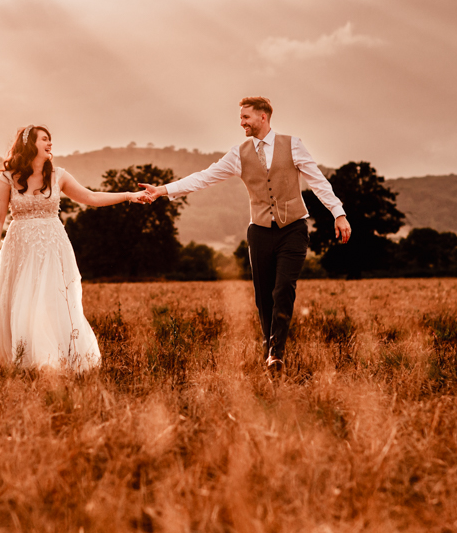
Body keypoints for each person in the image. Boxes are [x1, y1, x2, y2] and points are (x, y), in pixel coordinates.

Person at [140, 97, 351, 374]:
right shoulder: (238, 154)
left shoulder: (293, 145)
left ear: (263, 117)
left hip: (293, 230)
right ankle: (270, 350)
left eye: (246, 117)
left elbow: (318, 181)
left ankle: (276, 352)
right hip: (260, 232)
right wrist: (163, 190)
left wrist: (338, 212)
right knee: (264, 296)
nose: (242, 123)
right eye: (241, 118)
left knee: (283, 288)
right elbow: (205, 177)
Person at [0, 124, 146, 372]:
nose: (50, 143)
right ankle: (21, 359)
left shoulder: (59, 175)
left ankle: (51, 360)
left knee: (50, 299)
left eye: (50, 139)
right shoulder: (6, 178)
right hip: (19, 246)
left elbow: (92, 198)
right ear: (29, 144)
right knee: (19, 300)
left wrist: (128, 195)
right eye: (44, 139)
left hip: (54, 247)